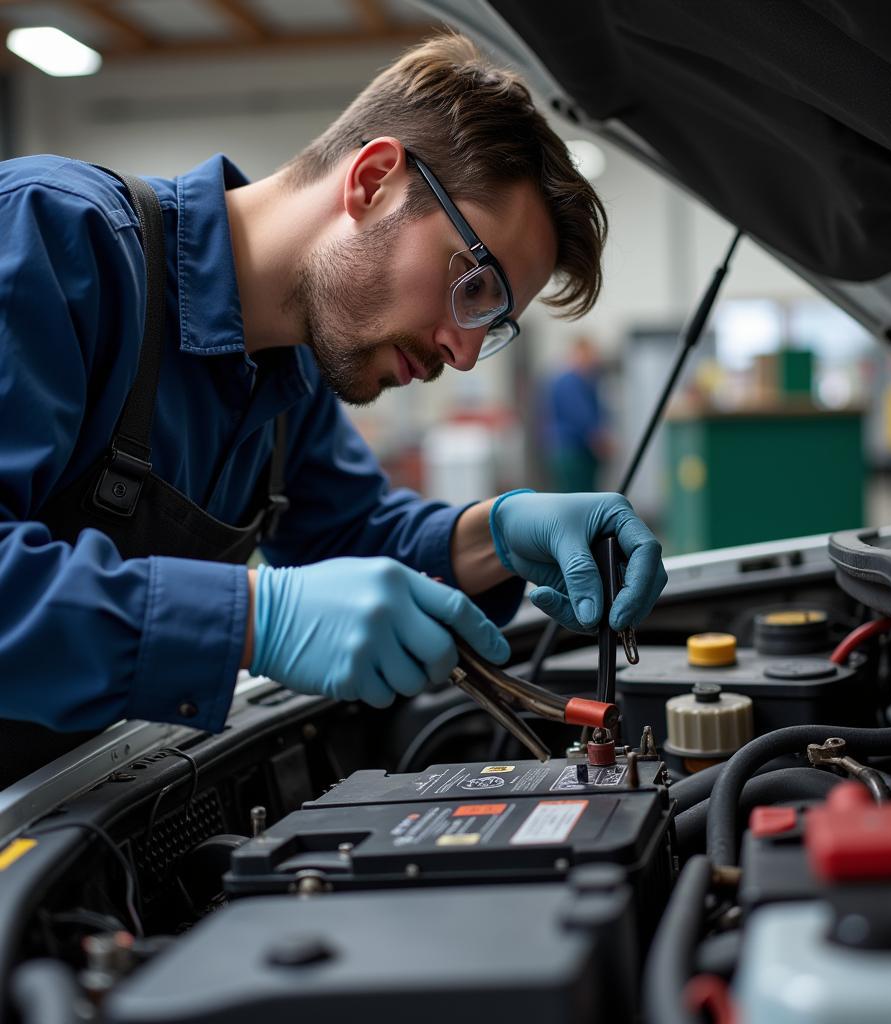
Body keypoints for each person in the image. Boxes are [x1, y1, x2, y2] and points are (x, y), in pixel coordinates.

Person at [0, 32, 667, 785]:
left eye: (494, 322)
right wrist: (258, 619)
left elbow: (349, 542)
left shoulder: (291, 377)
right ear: (375, 180)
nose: (466, 354)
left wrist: (502, 535)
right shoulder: (52, 241)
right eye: (474, 286)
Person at [543, 336, 613, 492]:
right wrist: (601, 442)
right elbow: (582, 419)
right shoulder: (570, 383)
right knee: (578, 497)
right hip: (573, 452)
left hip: (575, 451)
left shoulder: (586, 381)